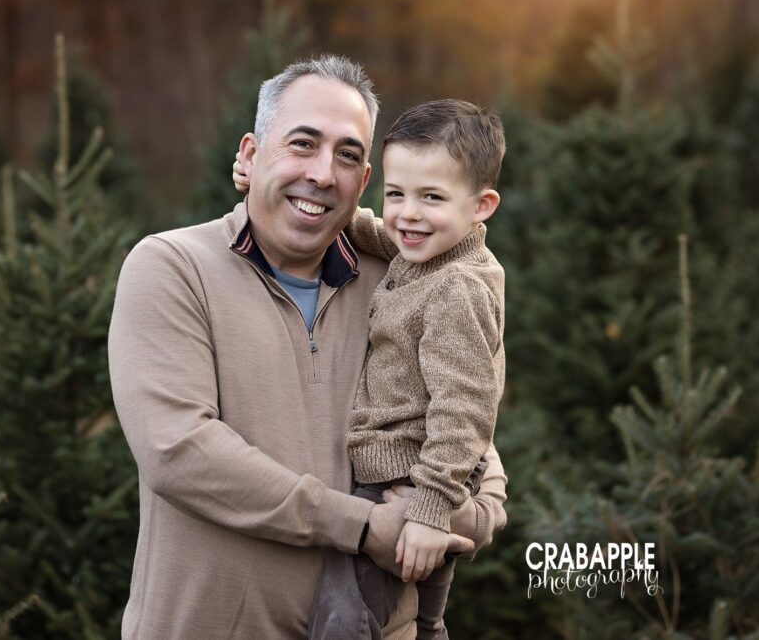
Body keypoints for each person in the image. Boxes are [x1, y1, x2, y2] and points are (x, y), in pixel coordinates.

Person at [108, 55, 508, 639]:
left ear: (363, 182)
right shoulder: (172, 268)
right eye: (302, 143)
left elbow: (473, 433)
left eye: (347, 155)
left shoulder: (401, 280)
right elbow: (179, 450)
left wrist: (448, 516)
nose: (323, 173)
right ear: (249, 154)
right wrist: (367, 526)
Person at [233, 99, 506, 639]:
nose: (407, 214)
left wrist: (429, 510)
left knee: (342, 616)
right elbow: (364, 229)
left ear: (482, 205)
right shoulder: (428, 251)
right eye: (396, 194)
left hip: (408, 478)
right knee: (423, 623)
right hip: (416, 475)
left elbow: (466, 406)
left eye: (431, 197)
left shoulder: (457, 288)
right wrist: (262, 175)